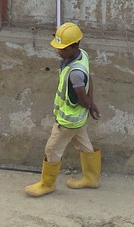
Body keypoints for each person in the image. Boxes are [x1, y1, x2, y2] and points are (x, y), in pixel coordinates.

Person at [25, 22, 101, 198]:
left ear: (75, 46)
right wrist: (91, 104)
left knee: (52, 149)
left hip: (67, 121)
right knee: (84, 144)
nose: (58, 51)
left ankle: (47, 184)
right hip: (78, 118)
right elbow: (89, 80)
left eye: (62, 48)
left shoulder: (74, 72)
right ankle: (91, 178)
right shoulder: (83, 56)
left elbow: (81, 96)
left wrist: (89, 104)